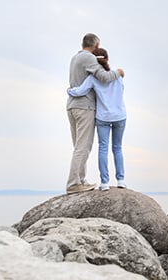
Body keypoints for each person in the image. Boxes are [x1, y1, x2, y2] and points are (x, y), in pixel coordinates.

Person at [65, 33, 125, 194]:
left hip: (72, 105)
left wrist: (71, 92)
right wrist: (119, 72)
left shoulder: (75, 58)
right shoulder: (89, 58)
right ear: (96, 45)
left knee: (78, 146)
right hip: (85, 107)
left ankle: (81, 180)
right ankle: (73, 184)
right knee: (83, 147)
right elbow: (104, 77)